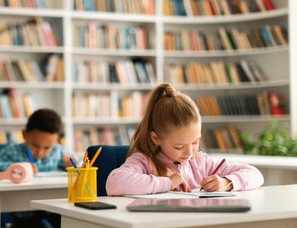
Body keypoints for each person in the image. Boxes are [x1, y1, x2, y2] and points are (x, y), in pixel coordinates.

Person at [106, 83, 264, 195]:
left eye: (195, 142)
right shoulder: (144, 162)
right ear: (155, 138)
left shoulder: (200, 161)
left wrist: (227, 183)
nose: (189, 152)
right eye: (179, 147)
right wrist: (168, 183)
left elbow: (255, 174)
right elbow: (114, 184)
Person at [0, 108, 73, 228]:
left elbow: (75, 165)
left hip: (53, 210)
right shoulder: (13, 151)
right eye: (36, 145)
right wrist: (17, 168)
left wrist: (71, 165)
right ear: (24, 134)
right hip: (25, 215)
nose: (40, 152)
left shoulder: (58, 152)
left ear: (56, 140)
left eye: (47, 147)